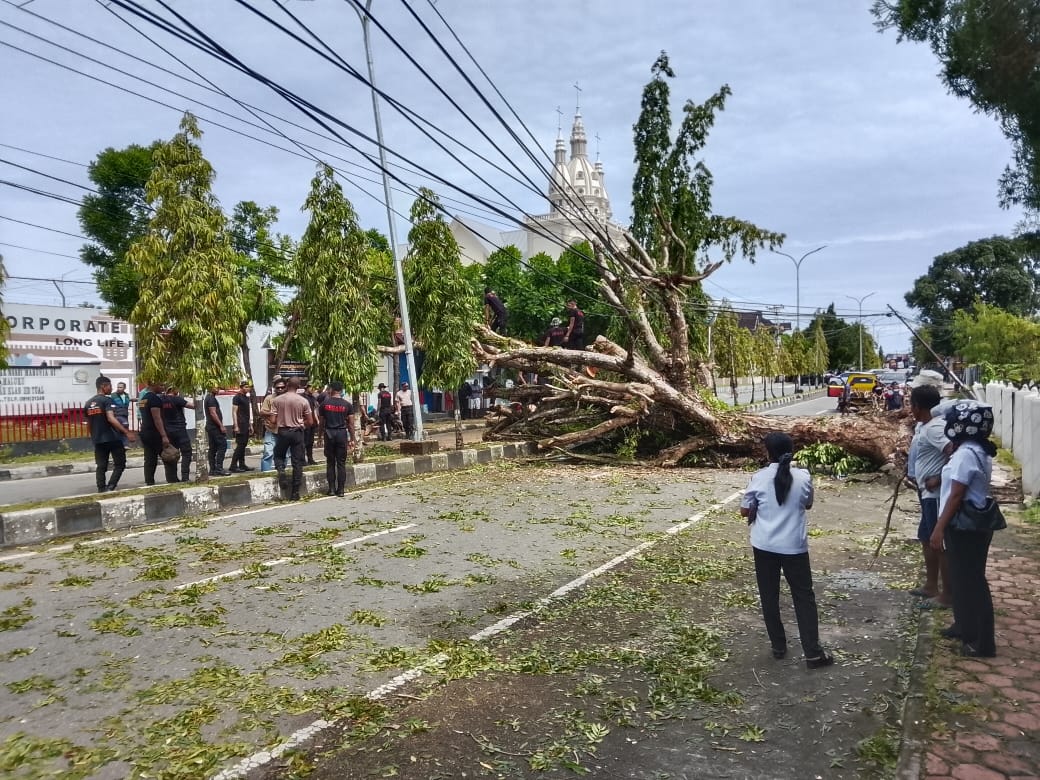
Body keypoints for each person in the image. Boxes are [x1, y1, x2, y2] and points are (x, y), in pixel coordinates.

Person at [740, 432, 834, 669]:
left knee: (769, 596)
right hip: (794, 546)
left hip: (764, 545)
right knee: (803, 597)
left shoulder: (759, 477)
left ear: (768, 453)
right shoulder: (803, 476)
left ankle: (778, 646)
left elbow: (744, 509)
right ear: (791, 451)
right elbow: (808, 503)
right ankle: (813, 652)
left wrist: (758, 508)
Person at [931, 400, 999, 658]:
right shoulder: (974, 450)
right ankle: (964, 627)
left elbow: (956, 495)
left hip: (964, 525)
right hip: (967, 523)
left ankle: (983, 643)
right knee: (962, 579)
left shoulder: (965, 455)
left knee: (973, 582)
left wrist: (938, 529)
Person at [907, 385, 951, 608]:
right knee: (926, 537)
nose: (910, 408)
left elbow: (955, 455)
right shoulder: (923, 426)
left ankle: (946, 594)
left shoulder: (935, 428)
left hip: (934, 494)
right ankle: (931, 585)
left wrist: (939, 478)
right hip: (925, 492)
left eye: (911, 404)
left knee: (937, 542)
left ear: (918, 406)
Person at [85, 376, 136, 492]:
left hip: (98, 439)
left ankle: (101, 489)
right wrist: (126, 432)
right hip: (112, 438)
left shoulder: (88, 403)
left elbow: (89, 422)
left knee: (101, 466)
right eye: (110, 386)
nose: (111, 388)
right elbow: (111, 418)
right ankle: (111, 486)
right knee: (120, 463)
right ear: (103, 386)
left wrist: (91, 435)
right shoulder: (107, 400)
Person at [272, 376, 314, 500]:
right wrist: (301, 424)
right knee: (297, 462)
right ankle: (295, 492)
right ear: (299, 386)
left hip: (283, 431)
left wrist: (281, 420)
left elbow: (273, 420)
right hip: (297, 433)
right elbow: (310, 422)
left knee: (279, 454)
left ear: (286, 385)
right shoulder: (303, 401)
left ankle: (281, 471)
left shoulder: (277, 400)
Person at [318, 380, 353, 497]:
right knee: (341, 463)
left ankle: (332, 489)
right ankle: (341, 490)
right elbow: (351, 424)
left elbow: (321, 423)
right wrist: (352, 438)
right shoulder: (347, 405)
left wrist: (319, 437)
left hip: (329, 434)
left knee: (330, 462)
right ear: (341, 390)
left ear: (331, 390)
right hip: (342, 434)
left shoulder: (324, 404)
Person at [138, 379, 170, 486]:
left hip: (145, 431)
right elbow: (157, 418)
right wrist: (164, 435)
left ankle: (149, 481)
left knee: (149, 458)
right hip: (154, 433)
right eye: (161, 384)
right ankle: (172, 479)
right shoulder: (154, 399)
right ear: (154, 385)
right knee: (170, 456)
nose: (163, 387)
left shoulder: (144, 399)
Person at [161, 386, 194, 483]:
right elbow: (193, 406)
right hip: (180, 430)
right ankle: (185, 476)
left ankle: (172, 478)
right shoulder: (177, 399)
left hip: (167, 431)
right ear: (174, 390)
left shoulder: (161, 400)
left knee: (172, 454)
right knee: (187, 452)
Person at [259, 376, 286, 472]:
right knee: (268, 453)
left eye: (282, 387)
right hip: (271, 430)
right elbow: (262, 412)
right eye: (278, 387)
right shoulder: (269, 398)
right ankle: (265, 474)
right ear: (274, 387)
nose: (280, 389)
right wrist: (272, 413)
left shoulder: (288, 398)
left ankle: (282, 473)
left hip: (284, 431)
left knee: (284, 454)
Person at [204, 382, 230, 476]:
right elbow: (213, 413)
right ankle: (218, 468)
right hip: (214, 427)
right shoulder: (211, 398)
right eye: (216, 387)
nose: (218, 389)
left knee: (213, 448)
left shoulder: (210, 397)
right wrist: (221, 425)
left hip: (211, 427)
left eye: (218, 387)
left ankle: (213, 469)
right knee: (222, 445)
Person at [230, 380, 254, 472]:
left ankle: (242, 464)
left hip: (246, 424)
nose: (247, 388)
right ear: (241, 387)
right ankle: (233, 465)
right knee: (240, 446)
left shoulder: (246, 398)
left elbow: (247, 413)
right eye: (245, 387)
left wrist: (250, 425)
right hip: (239, 424)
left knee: (243, 445)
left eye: (248, 387)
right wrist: (236, 426)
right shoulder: (237, 397)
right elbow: (234, 412)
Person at [110, 381, 132, 446]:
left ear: (124, 388)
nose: (119, 388)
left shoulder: (126, 395)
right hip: (117, 415)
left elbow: (127, 403)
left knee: (125, 428)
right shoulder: (113, 395)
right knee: (120, 429)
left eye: (121, 387)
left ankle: (124, 445)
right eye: (118, 387)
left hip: (125, 414)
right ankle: (122, 444)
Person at [302, 383, 319, 465]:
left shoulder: (313, 398)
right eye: (312, 387)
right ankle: (302, 460)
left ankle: (310, 458)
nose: (313, 389)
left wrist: (317, 420)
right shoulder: (302, 397)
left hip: (312, 423)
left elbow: (315, 409)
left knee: (310, 442)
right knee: (304, 442)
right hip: (305, 423)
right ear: (307, 387)